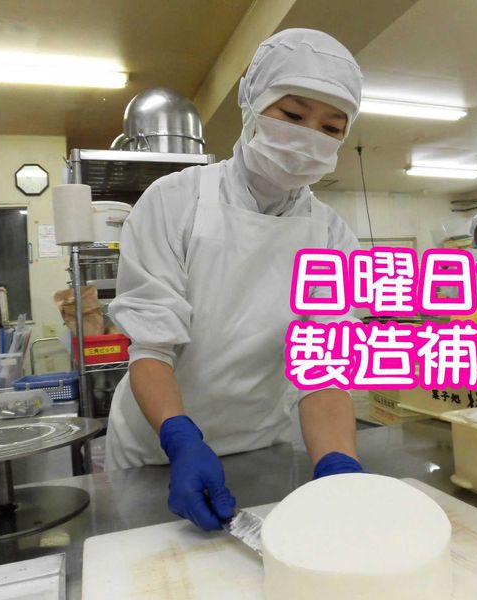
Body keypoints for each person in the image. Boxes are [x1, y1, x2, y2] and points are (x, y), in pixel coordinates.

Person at [105, 28, 365, 531]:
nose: (309, 137)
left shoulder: (331, 235)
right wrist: (181, 439)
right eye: (293, 115)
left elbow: (324, 369)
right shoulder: (175, 200)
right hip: (159, 450)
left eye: (332, 127)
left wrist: (338, 463)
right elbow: (152, 349)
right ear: (253, 102)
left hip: (259, 446)